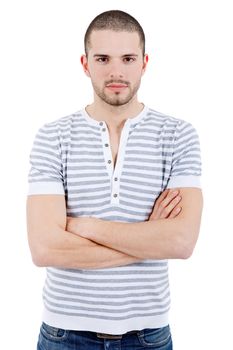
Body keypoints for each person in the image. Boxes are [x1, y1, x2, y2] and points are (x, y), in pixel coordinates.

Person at [27, 9, 203, 350]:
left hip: (148, 336)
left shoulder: (178, 135)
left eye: (128, 58)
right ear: (85, 63)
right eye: (103, 58)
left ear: (144, 63)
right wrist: (148, 239)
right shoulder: (53, 137)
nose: (116, 71)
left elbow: (181, 241)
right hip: (64, 335)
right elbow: (44, 247)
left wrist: (83, 226)